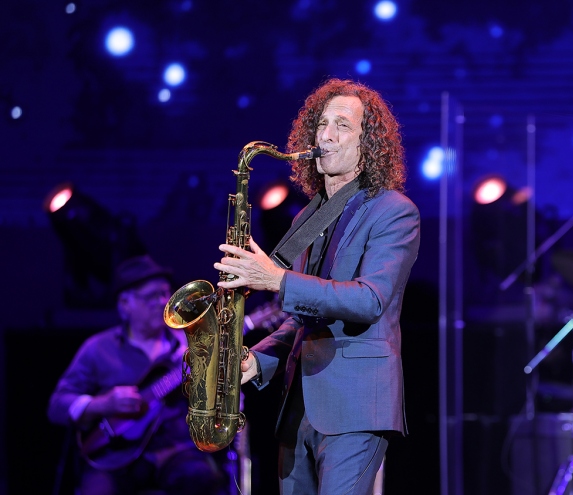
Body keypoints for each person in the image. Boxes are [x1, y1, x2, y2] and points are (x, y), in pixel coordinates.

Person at [213, 78, 420, 495]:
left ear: (369, 144)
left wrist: (276, 279)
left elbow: (369, 300)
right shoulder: (307, 217)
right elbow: (302, 318)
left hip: (356, 407)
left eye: (342, 126)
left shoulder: (394, 212)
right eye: (322, 124)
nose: (325, 135)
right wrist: (259, 360)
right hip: (298, 406)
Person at [47, 255, 226, 495]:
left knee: (200, 478)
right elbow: (58, 405)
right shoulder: (98, 348)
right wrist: (102, 404)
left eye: (165, 294)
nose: (161, 302)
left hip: (177, 452)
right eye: (150, 296)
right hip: (117, 455)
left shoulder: (189, 346)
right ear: (125, 304)